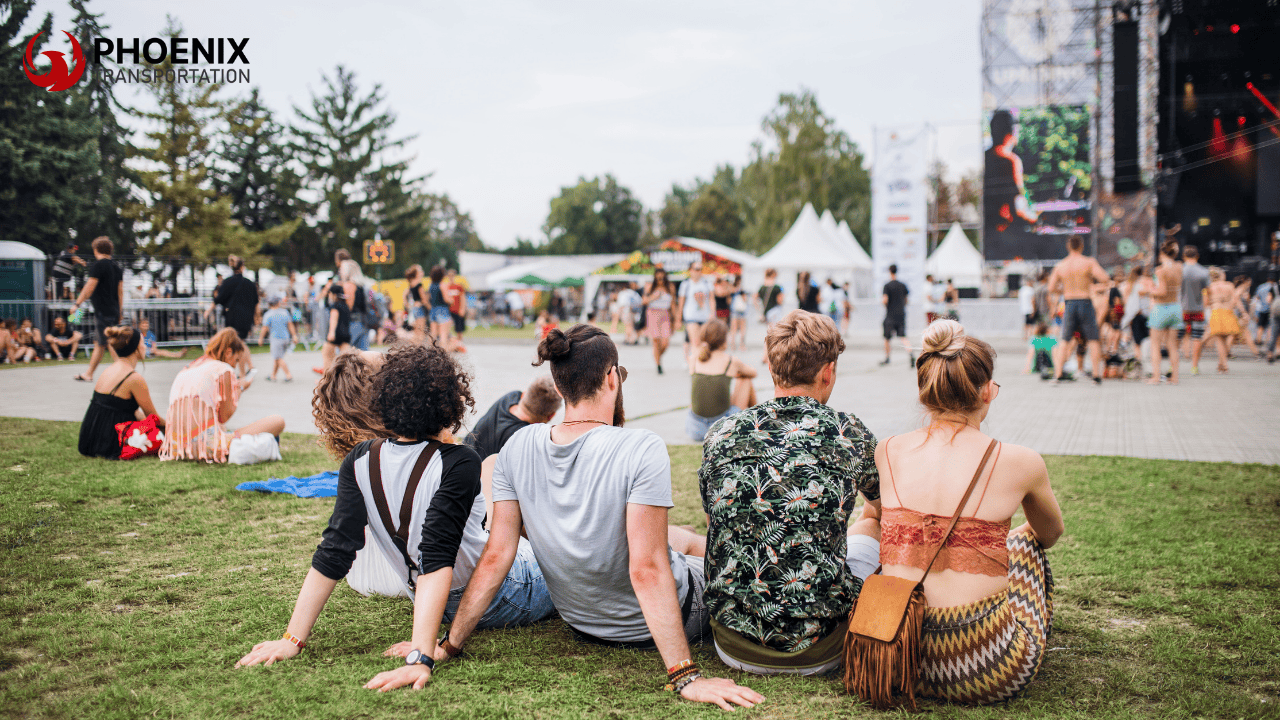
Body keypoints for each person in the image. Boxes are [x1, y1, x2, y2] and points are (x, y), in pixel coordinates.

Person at [435, 325, 764, 710]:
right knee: (739, 558)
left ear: (559, 388)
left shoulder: (518, 446)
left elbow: (497, 555)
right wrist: (685, 675)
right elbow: (647, 568)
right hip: (659, 616)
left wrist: (448, 645)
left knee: (680, 538)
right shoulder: (641, 447)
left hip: (583, 623)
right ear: (612, 377)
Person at [236, 343, 556, 681]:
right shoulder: (459, 462)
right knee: (546, 539)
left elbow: (334, 550)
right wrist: (421, 656)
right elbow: (436, 556)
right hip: (504, 594)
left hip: (436, 602)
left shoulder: (359, 459)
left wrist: (291, 639)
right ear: (454, 401)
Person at [876, 319, 1063, 704]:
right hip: (986, 666)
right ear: (987, 393)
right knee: (1025, 540)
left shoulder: (887, 450)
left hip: (898, 652)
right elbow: (1050, 534)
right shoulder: (1021, 461)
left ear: (924, 392)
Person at [698, 310, 881, 675]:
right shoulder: (848, 432)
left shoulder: (722, 432)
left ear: (771, 369)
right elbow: (891, 510)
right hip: (823, 647)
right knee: (873, 522)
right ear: (827, 372)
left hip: (733, 644)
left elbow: (712, 522)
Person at [161, 328, 285, 463]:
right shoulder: (223, 369)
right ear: (228, 352)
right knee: (278, 421)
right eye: (236, 360)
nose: (235, 366)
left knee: (223, 429)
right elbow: (224, 416)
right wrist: (240, 388)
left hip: (178, 447)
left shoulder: (188, 368)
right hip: (206, 446)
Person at [78, 326, 165, 458]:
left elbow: (119, 407)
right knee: (160, 435)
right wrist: (174, 426)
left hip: (89, 438)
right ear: (136, 349)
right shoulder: (134, 378)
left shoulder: (108, 370)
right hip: (111, 441)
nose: (145, 346)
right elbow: (153, 417)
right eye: (142, 343)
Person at [1046, 236, 1109, 385]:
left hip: (1069, 302)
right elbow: (1105, 278)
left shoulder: (1061, 265)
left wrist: (1064, 289)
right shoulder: (1088, 262)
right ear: (1081, 246)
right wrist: (1090, 285)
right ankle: (1096, 375)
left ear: (1069, 246)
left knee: (1065, 339)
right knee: (1093, 339)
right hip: (1085, 301)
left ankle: (1058, 374)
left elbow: (1051, 288)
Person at [685, 319, 756, 443]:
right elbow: (753, 373)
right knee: (745, 380)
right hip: (721, 429)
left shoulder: (694, 359)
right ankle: (758, 422)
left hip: (695, 428)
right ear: (723, 339)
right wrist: (737, 374)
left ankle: (755, 424)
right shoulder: (730, 361)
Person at [465, 376, 563, 461]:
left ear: (524, 395)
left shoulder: (510, 397)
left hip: (465, 453)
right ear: (551, 416)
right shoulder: (526, 438)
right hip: (480, 478)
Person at [71, 237, 123, 382]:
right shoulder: (117, 267)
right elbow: (120, 292)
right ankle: (89, 374)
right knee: (100, 344)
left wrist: (77, 304)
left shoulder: (98, 265)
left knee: (109, 342)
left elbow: (90, 286)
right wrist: (120, 311)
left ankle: (125, 373)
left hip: (102, 310)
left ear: (96, 250)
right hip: (112, 310)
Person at [984, 109, 1040, 236]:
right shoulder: (1011, 161)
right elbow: (1017, 205)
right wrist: (1033, 218)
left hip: (986, 232)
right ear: (1011, 132)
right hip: (1005, 232)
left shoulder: (984, 158)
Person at [1148, 239, 1184, 384]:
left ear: (1162, 253)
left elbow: (1161, 291)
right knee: (1173, 346)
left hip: (1161, 308)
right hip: (1175, 307)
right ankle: (1174, 377)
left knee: (1155, 344)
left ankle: (1156, 377)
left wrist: (1150, 290)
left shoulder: (1160, 270)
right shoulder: (1179, 267)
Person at [211, 255, 259, 354]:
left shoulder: (228, 282)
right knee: (240, 342)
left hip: (231, 316)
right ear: (242, 267)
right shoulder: (250, 283)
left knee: (237, 343)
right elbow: (256, 302)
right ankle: (247, 368)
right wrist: (257, 317)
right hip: (246, 317)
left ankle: (249, 367)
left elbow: (219, 298)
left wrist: (209, 310)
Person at [1178, 245, 1210, 374]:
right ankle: (1194, 367)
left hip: (1181, 310)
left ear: (1183, 256)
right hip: (1197, 310)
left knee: (1177, 337)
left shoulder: (1179, 270)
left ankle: (1172, 365)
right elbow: (1208, 292)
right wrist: (1204, 307)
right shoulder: (1203, 271)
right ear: (1197, 256)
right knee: (1197, 337)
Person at [677, 262, 714, 365]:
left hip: (705, 316)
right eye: (696, 269)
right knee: (695, 341)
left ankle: (698, 360)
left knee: (704, 342)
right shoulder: (686, 284)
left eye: (700, 269)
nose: (699, 272)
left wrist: (712, 313)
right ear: (691, 270)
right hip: (691, 316)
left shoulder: (707, 283)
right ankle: (694, 362)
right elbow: (681, 303)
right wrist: (678, 319)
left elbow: (711, 299)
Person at [1205, 268, 1241, 374]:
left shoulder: (1210, 287)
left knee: (1219, 340)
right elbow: (1235, 300)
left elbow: (1206, 302)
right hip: (1227, 311)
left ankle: (1223, 364)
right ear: (1221, 275)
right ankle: (1222, 364)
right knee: (1228, 338)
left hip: (1216, 312)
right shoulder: (1229, 285)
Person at [258, 295, 299, 382]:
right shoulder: (284, 312)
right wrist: (294, 335)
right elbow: (290, 324)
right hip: (285, 338)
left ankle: (288, 375)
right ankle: (273, 375)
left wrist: (261, 338)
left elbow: (264, 327)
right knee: (277, 356)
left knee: (278, 357)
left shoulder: (268, 314)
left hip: (276, 338)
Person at [643, 268, 676, 374]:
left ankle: (657, 356)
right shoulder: (650, 287)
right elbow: (644, 301)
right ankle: (658, 364)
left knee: (665, 341)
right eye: (658, 278)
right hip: (653, 313)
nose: (660, 280)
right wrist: (654, 297)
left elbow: (673, 305)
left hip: (665, 313)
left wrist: (675, 319)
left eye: (662, 277)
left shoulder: (670, 287)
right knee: (656, 339)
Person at [880, 264, 912, 366]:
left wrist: (885, 304)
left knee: (887, 338)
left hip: (890, 315)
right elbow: (906, 300)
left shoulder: (887, 286)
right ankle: (910, 353)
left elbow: (885, 300)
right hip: (901, 314)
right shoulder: (902, 285)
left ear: (890, 271)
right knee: (903, 336)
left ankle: (887, 357)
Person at [339, 256, 372, 352]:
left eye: (342, 269)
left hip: (352, 322)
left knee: (344, 354)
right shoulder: (362, 286)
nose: (340, 272)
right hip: (363, 322)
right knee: (363, 355)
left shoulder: (349, 285)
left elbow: (348, 307)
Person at [444, 267, 469, 352]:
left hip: (457, 310)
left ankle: (460, 345)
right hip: (449, 311)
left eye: (452, 275)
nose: (450, 277)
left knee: (459, 329)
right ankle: (450, 345)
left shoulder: (458, 286)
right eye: (449, 275)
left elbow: (462, 298)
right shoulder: (446, 287)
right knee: (447, 328)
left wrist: (462, 308)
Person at [427, 266, 452, 349]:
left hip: (433, 310)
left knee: (433, 334)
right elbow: (446, 299)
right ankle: (444, 353)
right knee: (443, 334)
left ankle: (431, 353)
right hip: (442, 310)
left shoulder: (431, 285)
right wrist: (452, 300)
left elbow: (429, 298)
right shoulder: (442, 285)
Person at [1253, 273, 1276, 348]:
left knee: (1260, 326)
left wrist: (1256, 312)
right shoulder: (1274, 287)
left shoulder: (1261, 287)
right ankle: (1268, 342)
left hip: (1262, 310)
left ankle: (1258, 341)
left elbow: (1257, 299)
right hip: (1271, 310)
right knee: (1269, 327)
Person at [729, 276, 749, 351]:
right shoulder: (740, 290)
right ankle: (741, 345)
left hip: (735, 310)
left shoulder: (732, 290)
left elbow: (729, 300)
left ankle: (733, 345)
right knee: (741, 329)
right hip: (740, 311)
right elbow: (745, 299)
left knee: (734, 328)